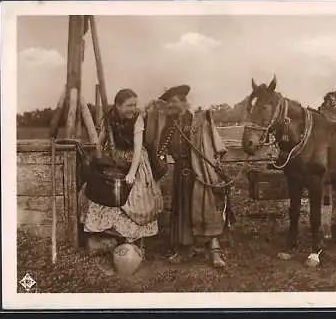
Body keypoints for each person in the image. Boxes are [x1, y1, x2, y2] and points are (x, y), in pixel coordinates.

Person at [145, 85, 230, 268]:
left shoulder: (198, 120)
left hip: (201, 171)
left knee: (206, 207)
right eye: (169, 103)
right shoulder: (169, 123)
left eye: (174, 102)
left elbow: (212, 145)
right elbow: (158, 146)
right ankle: (185, 249)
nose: (171, 106)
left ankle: (214, 250)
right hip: (181, 172)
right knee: (183, 209)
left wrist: (210, 166)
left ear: (184, 102)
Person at [80, 88, 164, 248]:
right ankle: (109, 237)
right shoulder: (109, 117)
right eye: (128, 105)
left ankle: (133, 239)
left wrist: (132, 173)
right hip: (115, 159)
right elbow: (99, 142)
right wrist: (99, 160)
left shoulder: (137, 118)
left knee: (135, 198)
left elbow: (138, 148)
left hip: (135, 160)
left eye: (134, 104)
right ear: (118, 105)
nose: (132, 108)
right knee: (104, 193)